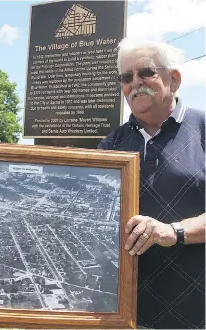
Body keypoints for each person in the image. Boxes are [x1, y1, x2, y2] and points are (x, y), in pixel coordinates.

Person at [98, 38, 205, 329]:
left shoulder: (203, 130)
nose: (135, 83)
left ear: (174, 79)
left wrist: (174, 231)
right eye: (125, 77)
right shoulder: (110, 145)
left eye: (146, 72)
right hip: (125, 315)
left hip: (196, 314)